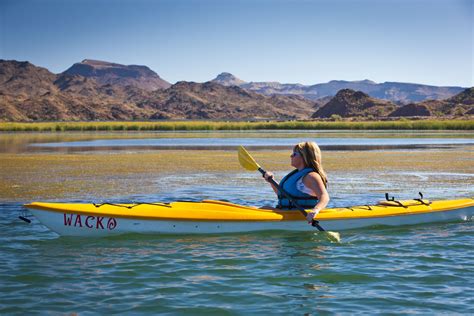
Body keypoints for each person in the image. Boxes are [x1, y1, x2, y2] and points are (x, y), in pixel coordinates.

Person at [263, 141, 329, 223]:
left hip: (301, 216)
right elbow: (285, 196)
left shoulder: (311, 176)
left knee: (265, 209)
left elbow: (324, 196)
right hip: (287, 212)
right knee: (265, 208)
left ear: (304, 157)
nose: (291, 156)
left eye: (294, 154)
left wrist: (315, 210)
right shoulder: (297, 175)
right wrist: (271, 182)